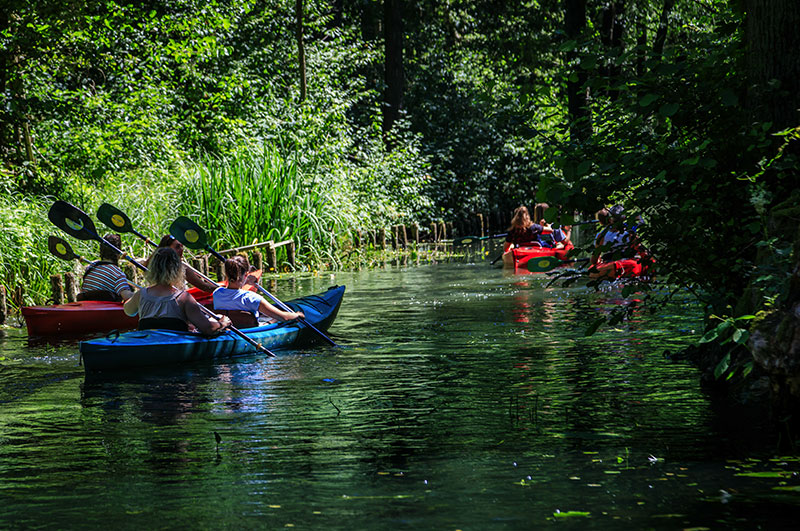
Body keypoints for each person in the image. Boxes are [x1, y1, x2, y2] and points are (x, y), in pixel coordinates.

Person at [124, 247, 232, 334]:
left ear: (153, 269)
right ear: (177, 270)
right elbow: (208, 329)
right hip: (175, 350)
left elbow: (128, 311)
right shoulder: (184, 298)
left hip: (148, 345)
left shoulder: (140, 295)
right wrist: (222, 323)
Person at [213, 256, 305, 328]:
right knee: (276, 319)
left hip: (229, 329)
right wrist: (296, 315)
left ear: (226, 274)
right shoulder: (251, 298)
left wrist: (246, 280)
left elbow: (233, 293)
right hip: (251, 331)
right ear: (245, 275)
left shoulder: (216, 293)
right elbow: (284, 317)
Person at [144, 234, 220, 293]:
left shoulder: (182, 267)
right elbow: (204, 287)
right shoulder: (153, 265)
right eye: (177, 247)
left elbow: (204, 287)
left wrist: (221, 289)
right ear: (167, 248)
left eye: (182, 246)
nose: (182, 250)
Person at [77, 233, 135, 302]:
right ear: (118, 254)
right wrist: (141, 295)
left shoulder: (90, 267)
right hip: (106, 312)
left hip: (86, 310)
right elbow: (127, 296)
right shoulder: (117, 273)